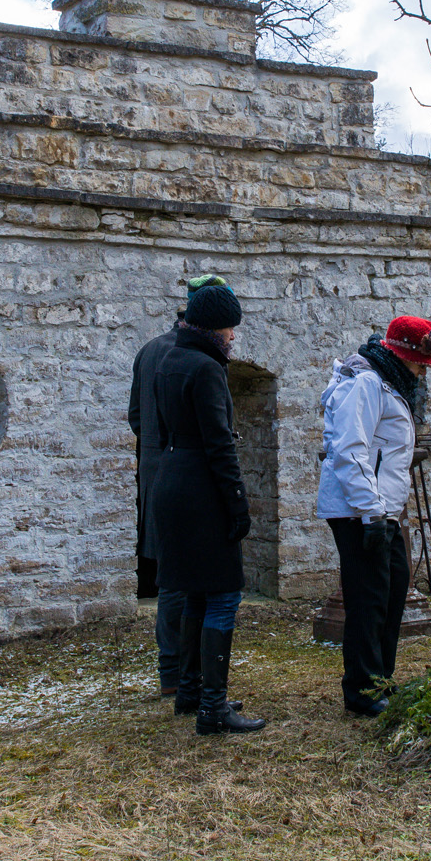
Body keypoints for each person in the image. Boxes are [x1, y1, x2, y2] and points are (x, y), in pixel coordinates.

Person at [144, 282, 266, 735]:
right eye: (230, 328)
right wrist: (238, 504)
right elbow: (220, 446)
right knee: (223, 593)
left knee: (195, 590)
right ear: (215, 327)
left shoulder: (168, 359)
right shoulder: (206, 368)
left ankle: (191, 690)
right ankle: (213, 708)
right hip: (202, 492)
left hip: (171, 483)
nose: (233, 336)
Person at [316, 315, 431, 716]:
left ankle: (382, 679)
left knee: (392, 588)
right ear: (401, 355)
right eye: (420, 363)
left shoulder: (391, 384)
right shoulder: (366, 384)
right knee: (368, 597)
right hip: (359, 510)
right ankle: (363, 690)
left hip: (379, 509)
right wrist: (371, 513)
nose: (423, 371)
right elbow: (350, 450)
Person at [128, 273, 227, 697]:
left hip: (158, 474)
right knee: (180, 582)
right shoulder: (190, 358)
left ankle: (178, 673)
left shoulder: (150, 350)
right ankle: (179, 674)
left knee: (174, 579)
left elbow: (135, 418)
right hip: (189, 478)